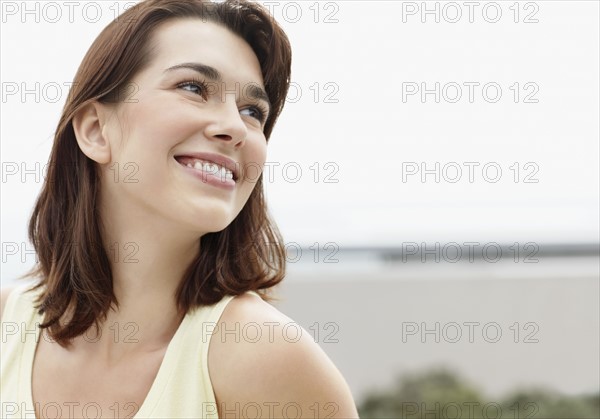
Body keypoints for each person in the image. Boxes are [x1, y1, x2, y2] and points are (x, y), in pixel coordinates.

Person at [0, 0, 359, 417]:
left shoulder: (267, 357)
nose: (234, 127)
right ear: (96, 131)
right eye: (193, 88)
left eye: (252, 111)